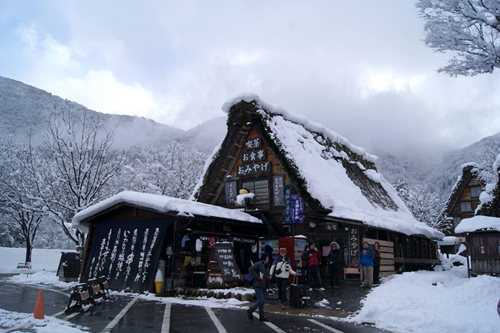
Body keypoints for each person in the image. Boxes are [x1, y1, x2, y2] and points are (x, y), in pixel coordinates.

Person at [247, 253, 271, 321]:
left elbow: (269, 275)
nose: (268, 259)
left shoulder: (267, 266)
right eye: (267, 258)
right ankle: (250, 310)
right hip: (258, 285)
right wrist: (257, 277)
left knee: (262, 301)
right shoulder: (259, 264)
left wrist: (268, 278)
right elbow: (251, 269)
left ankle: (262, 316)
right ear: (264, 258)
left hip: (264, 285)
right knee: (260, 301)